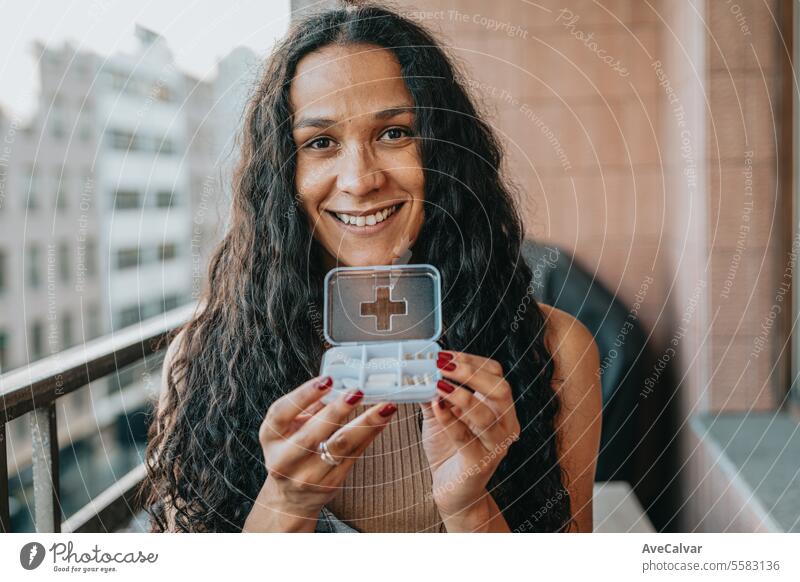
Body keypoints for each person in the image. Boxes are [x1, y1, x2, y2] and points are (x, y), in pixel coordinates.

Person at [142, 1, 602, 533]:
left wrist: (469, 505)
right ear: (284, 176)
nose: (360, 180)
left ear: (444, 152)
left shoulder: (555, 350)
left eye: (394, 133)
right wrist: (287, 503)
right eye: (320, 143)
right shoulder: (206, 359)